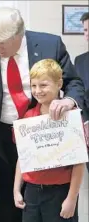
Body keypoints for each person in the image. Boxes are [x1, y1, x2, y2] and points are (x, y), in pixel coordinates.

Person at [0, 7, 85, 222]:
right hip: (1, 134)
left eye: (2, 42)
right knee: (8, 201)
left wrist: (69, 101)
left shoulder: (50, 44)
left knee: (51, 198)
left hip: (44, 131)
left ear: (19, 34)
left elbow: (73, 82)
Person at [14, 58, 85, 222]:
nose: (37, 90)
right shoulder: (29, 117)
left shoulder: (71, 117)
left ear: (59, 84)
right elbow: (22, 156)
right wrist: (17, 189)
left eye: (43, 85)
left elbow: (79, 162)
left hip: (60, 192)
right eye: (33, 86)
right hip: (31, 192)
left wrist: (72, 198)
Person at [74, 12, 89, 171]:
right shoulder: (80, 61)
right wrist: (86, 122)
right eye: (85, 30)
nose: (88, 34)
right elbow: (78, 95)